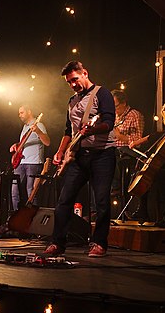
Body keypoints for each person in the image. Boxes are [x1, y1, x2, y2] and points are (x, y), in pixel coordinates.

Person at [44, 61, 116, 258]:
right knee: (64, 200)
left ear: (85, 73)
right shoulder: (72, 101)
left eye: (75, 79)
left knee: (101, 201)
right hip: (79, 156)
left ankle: (99, 243)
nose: (73, 84)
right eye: (69, 82)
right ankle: (57, 242)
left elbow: (109, 122)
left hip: (102, 154)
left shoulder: (102, 93)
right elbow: (69, 131)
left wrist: (93, 129)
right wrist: (60, 152)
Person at [129, 99, 165, 228]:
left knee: (159, 176)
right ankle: (142, 209)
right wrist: (136, 143)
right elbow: (153, 136)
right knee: (146, 174)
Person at [110, 89, 145, 219]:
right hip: (114, 150)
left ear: (124, 103)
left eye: (115, 106)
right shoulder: (114, 117)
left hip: (128, 152)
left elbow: (138, 141)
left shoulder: (134, 115)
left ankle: (116, 186)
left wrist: (120, 136)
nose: (114, 109)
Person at [9, 104, 50, 210]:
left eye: (22, 112)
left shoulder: (39, 124)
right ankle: (15, 217)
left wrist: (38, 131)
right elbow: (25, 142)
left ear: (29, 111)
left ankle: (32, 218)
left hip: (33, 162)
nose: (19, 115)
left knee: (31, 192)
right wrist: (17, 145)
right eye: (19, 113)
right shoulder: (25, 127)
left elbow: (47, 142)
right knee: (15, 191)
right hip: (21, 162)